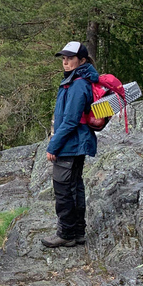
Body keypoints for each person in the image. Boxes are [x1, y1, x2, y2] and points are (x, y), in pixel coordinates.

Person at [42, 41, 99, 248]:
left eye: (70, 58)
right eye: (63, 58)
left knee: (64, 189)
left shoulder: (77, 84)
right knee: (74, 187)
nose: (65, 62)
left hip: (70, 145)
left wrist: (53, 145)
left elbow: (70, 121)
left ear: (82, 60)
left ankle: (66, 233)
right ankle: (77, 232)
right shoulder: (79, 80)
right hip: (76, 144)